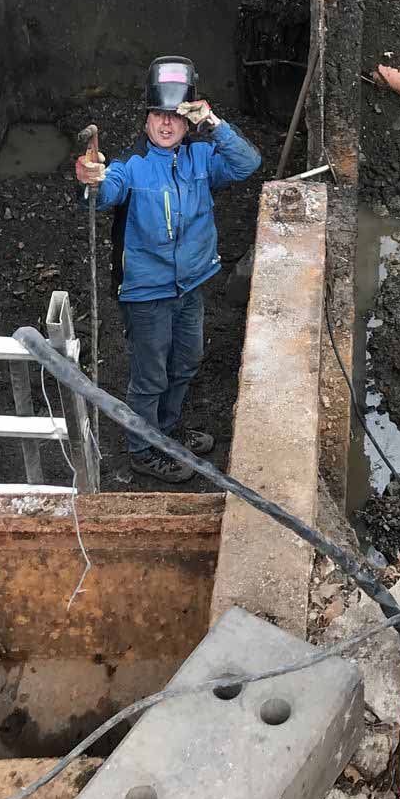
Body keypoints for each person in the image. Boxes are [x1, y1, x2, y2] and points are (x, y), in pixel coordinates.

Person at [77, 56, 261, 484]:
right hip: (147, 294)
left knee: (186, 362)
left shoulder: (200, 160)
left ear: (189, 120)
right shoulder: (132, 168)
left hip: (190, 287)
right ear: (146, 119)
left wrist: (214, 124)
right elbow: (104, 193)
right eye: (159, 115)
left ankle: (167, 428)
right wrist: (92, 178)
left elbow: (247, 164)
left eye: (176, 117)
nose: (166, 125)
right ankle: (142, 449)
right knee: (151, 374)